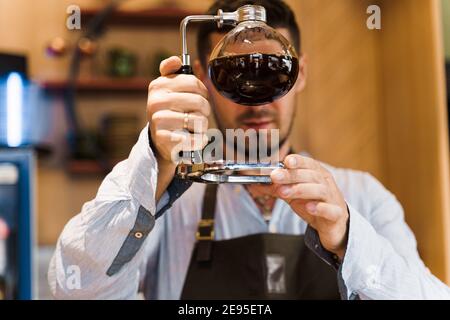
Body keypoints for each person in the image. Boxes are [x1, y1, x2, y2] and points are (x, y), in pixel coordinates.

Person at [48, 0, 450, 299]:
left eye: (272, 70)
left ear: (301, 73)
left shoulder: (363, 196)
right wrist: (151, 158)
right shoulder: (167, 204)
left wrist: (347, 237)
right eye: (237, 75)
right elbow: (74, 289)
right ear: (204, 79)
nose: (256, 101)